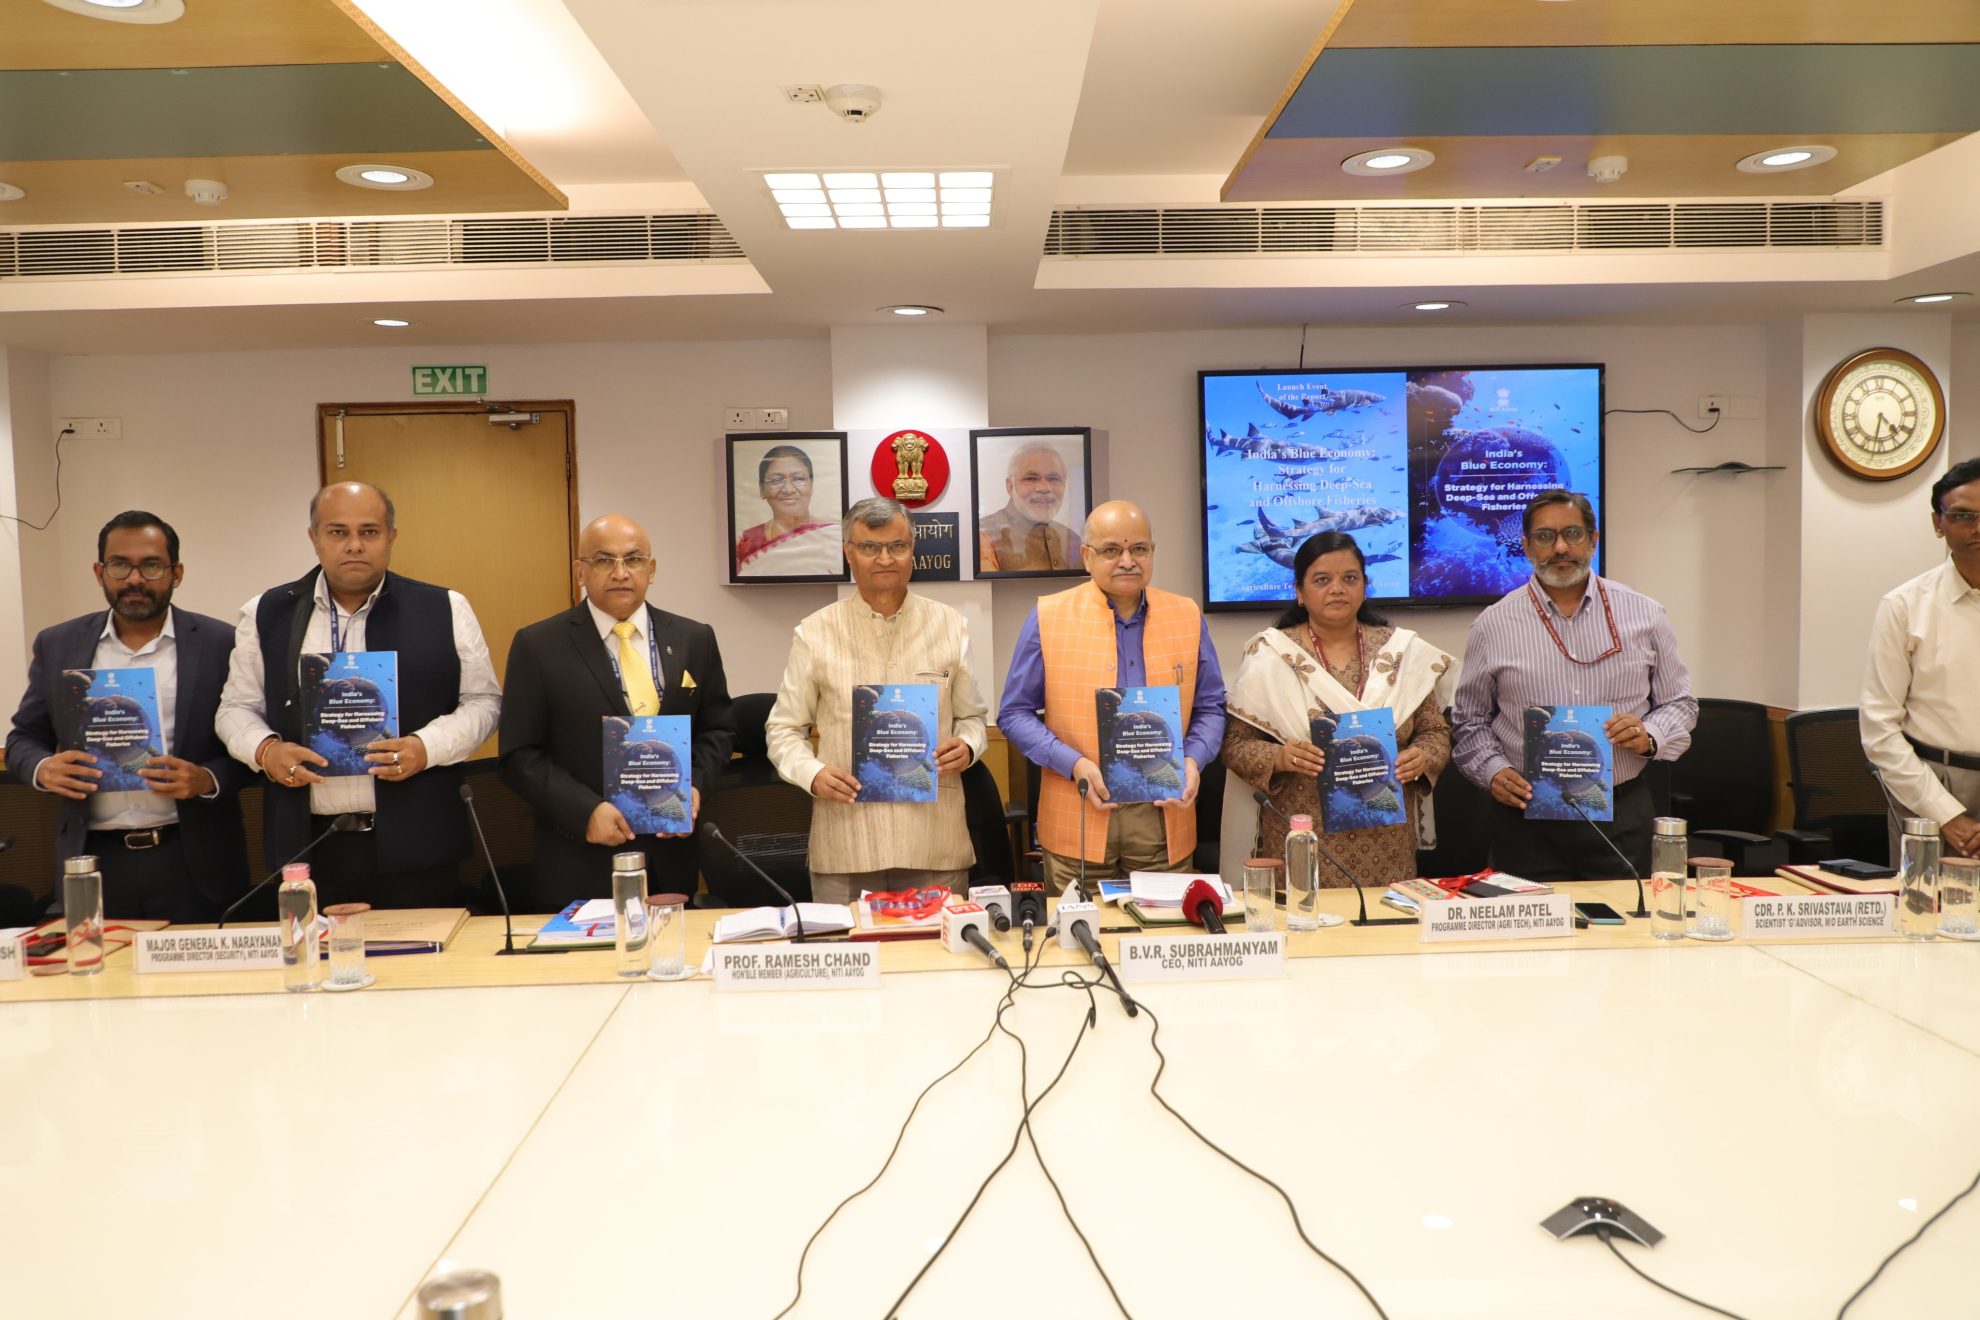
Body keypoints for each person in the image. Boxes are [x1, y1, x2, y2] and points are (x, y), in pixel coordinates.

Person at [216, 482, 501, 910]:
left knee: (423, 954)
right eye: (337, 532)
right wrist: (265, 750)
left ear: (391, 537)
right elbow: (236, 708)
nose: (354, 545)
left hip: (419, 845)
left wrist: (426, 747)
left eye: (369, 532)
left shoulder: (445, 608)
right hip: (307, 849)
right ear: (314, 537)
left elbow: (484, 702)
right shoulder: (266, 612)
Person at [6, 511, 250, 921]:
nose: (135, 579)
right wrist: (44, 768)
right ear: (99, 572)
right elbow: (22, 739)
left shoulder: (221, 643)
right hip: (93, 860)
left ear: (176, 573)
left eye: (151, 565)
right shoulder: (58, 644)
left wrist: (207, 778)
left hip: (194, 860)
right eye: (120, 565)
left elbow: (249, 741)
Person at [1452, 489, 1696, 881]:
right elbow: (1469, 721)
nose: (1561, 547)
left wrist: (1649, 735)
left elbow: (1680, 702)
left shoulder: (1645, 614)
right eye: (1545, 536)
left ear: (1593, 540)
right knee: (1532, 921)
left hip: (1621, 813)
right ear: (1526, 546)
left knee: (1624, 919)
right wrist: (1493, 770)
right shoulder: (1492, 625)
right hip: (1526, 818)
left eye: (1573, 533)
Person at [501, 513, 735, 911]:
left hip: (671, 857)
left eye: (634, 559)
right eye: (603, 560)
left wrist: (693, 788)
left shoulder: (695, 639)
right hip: (580, 858)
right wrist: (585, 812)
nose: (621, 572)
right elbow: (519, 756)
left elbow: (718, 731)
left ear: (651, 569)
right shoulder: (538, 645)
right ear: (580, 571)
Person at [765, 498, 988, 905]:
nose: (885, 558)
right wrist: (812, 773)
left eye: (897, 546)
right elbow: (783, 729)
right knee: (845, 947)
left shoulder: (951, 626)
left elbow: (973, 718)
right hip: (847, 843)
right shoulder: (815, 633)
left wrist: (969, 745)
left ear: (912, 550)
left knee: (937, 948)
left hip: (933, 840)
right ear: (848, 552)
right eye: (870, 547)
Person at [1000, 500, 1226, 892]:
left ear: (1153, 552)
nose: (1127, 561)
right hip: (1078, 812)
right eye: (1111, 550)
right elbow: (1014, 714)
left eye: (1138, 549)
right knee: (1079, 930)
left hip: (1163, 815)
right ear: (1086, 556)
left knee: (1164, 928)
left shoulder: (1186, 615)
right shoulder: (1048, 616)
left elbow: (1211, 707)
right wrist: (1073, 763)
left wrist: (1193, 759)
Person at [1220, 531, 1452, 889]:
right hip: (1303, 838)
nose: (1337, 589)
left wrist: (1423, 757)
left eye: (1350, 578)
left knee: (1386, 921)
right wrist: (1280, 757)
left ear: (1364, 587)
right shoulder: (1269, 656)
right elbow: (1236, 745)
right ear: (1299, 591)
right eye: (1322, 580)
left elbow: (1434, 731)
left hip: (1387, 843)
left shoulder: (1402, 653)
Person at [1861, 456, 1980, 860]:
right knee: (1924, 900)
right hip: (1930, 785)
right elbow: (1879, 729)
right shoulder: (1905, 606)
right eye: (1963, 515)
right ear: (1938, 523)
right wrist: (1945, 814)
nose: (1978, 528)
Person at [734, 444, 841, 577]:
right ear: (762, 489)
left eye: (798, 478)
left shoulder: (834, 536)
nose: (788, 490)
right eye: (776, 480)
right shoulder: (748, 542)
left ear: (811, 484)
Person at [978, 441, 1078, 572]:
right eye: (1031, 478)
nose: (1044, 488)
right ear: (1010, 487)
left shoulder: (1072, 538)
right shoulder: (983, 535)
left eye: (1054, 478)